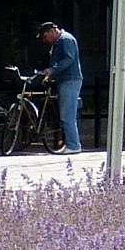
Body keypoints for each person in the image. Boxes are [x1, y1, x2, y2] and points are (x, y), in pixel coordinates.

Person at [39, 20, 83, 155]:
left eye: (45, 37)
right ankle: (71, 144)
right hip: (65, 80)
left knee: (67, 114)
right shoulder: (61, 41)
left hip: (70, 80)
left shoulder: (66, 40)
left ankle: (73, 145)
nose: (45, 40)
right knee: (66, 113)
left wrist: (52, 70)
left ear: (52, 31)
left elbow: (69, 59)